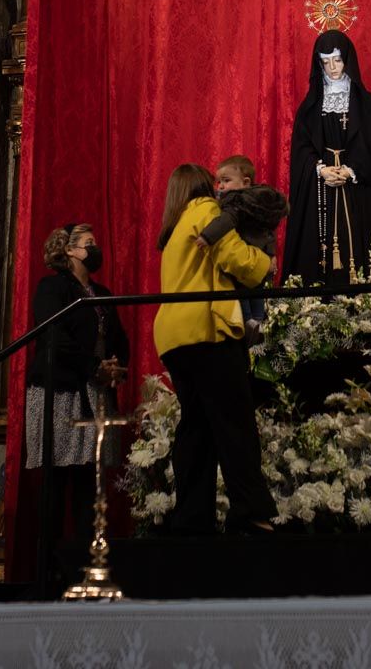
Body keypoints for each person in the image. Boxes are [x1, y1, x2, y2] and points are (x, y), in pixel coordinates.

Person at [155, 163, 276, 535]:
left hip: (174, 337)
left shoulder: (172, 230)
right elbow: (234, 257)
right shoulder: (206, 211)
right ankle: (250, 514)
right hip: (207, 331)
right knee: (235, 423)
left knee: (197, 428)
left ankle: (192, 521)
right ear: (204, 188)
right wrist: (265, 265)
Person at [27, 223, 129, 575]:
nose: (95, 248)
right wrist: (92, 366)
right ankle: (48, 574)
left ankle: (89, 568)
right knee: (56, 484)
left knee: (90, 484)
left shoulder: (101, 292)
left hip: (96, 392)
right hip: (63, 392)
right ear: (69, 250)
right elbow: (52, 336)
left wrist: (115, 365)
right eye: (89, 243)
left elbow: (117, 337)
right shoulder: (52, 287)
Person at [283, 30, 371, 284]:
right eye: (325, 61)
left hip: (359, 192)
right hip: (320, 192)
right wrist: (320, 169)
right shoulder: (310, 107)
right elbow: (301, 150)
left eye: (337, 60)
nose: (332, 68)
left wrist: (351, 170)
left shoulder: (368, 105)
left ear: (348, 59)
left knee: (363, 249)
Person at [200, 156, 288, 330]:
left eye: (226, 181)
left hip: (249, 256)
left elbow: (226, 221)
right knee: (257, 291)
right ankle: (258, 321)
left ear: (246, 182)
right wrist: (271, 254)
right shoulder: (261, 200)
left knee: (241, 287)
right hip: (261, 256)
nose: (221, 186)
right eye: (218, 182)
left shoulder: (236, 201)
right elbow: (270, 230)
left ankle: (249, 321)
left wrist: (206, 236)